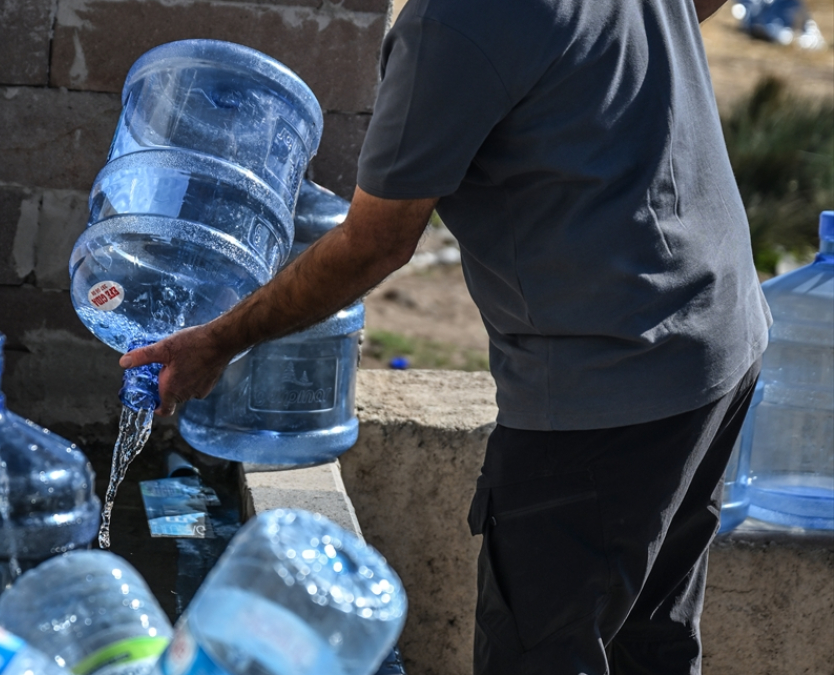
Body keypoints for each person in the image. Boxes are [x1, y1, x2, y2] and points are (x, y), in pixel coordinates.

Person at [122, 0, 770, 671]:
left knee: (541, 655)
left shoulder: (456, 22)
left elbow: (375, 243)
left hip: (607, 384)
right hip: (720, 337)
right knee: (650, 648)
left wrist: (220, 340)